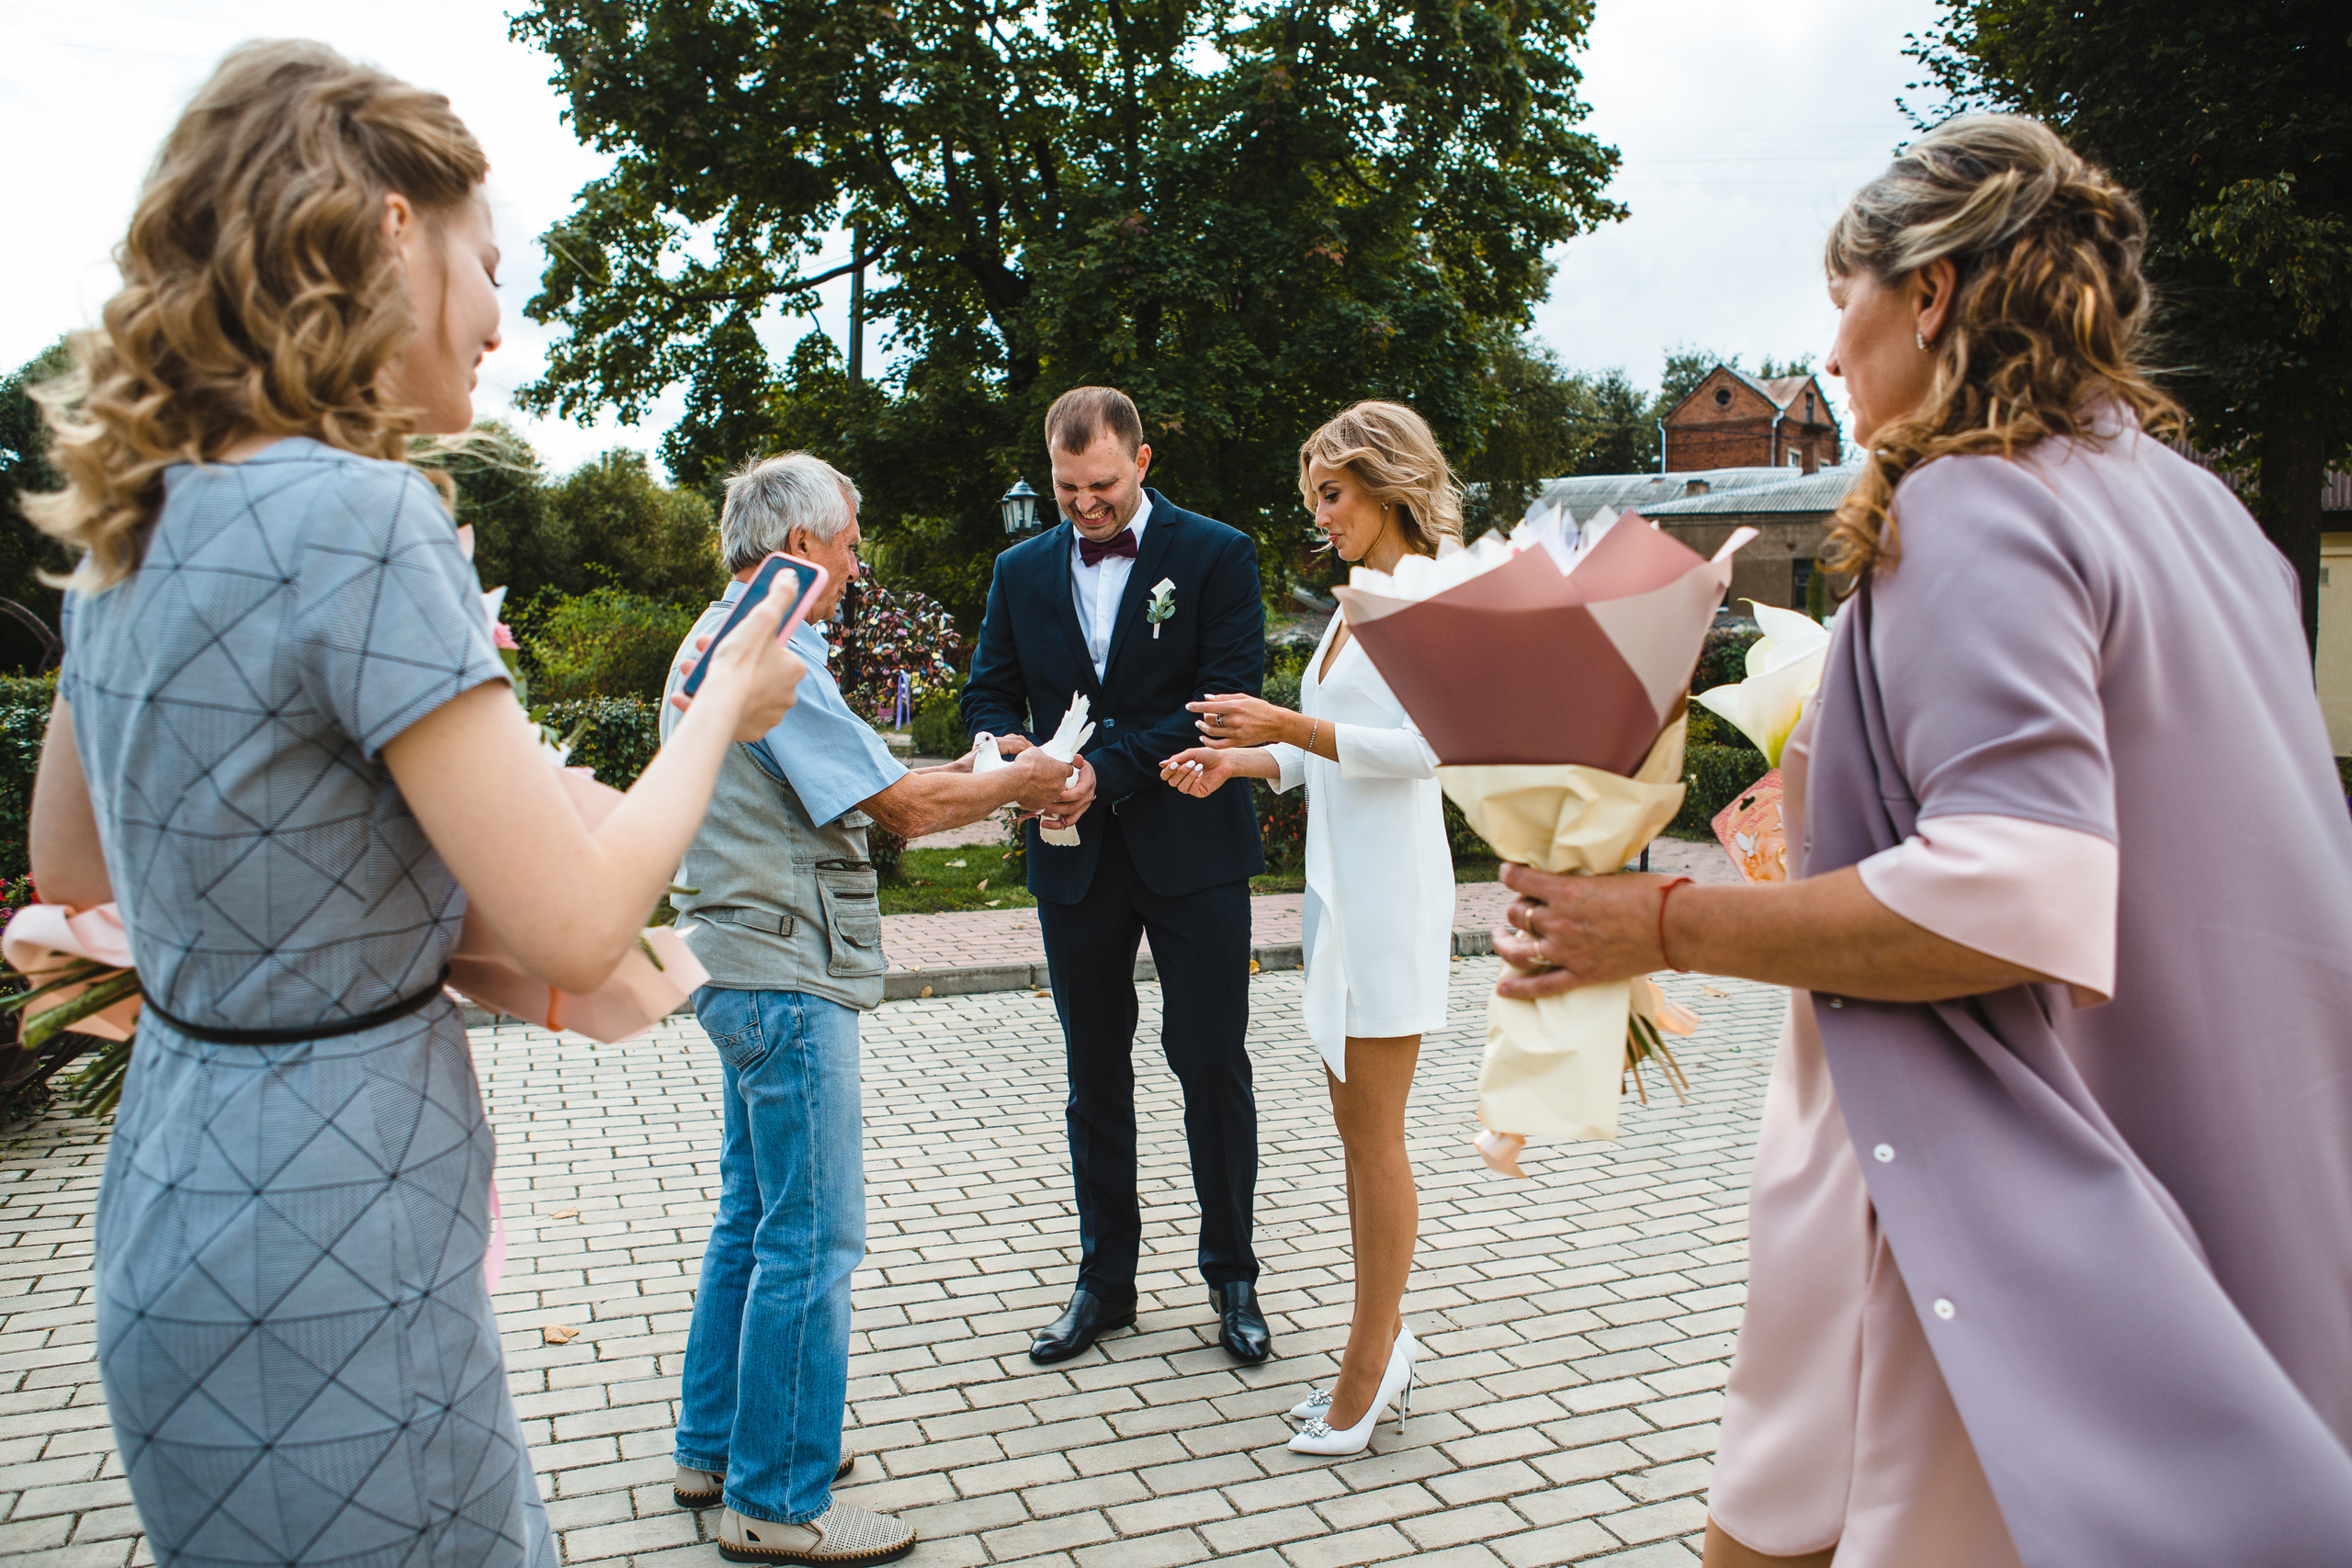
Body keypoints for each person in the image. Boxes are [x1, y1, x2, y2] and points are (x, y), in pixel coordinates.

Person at [1489, 115, 2352, 1567]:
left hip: (1984, 1167)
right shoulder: (2197, 508)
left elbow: (2014, 892)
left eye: (1846, 301)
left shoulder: (1975, 499)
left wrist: (1654, 923)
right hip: (2207, 1143)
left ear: (1932, 295)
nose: (1832, 354)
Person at [23, 42, 807, 1568]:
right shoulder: (361, 517)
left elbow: (70, 863)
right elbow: (579, 926)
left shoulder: (132, 522)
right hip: (339, 1228)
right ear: (393, 229)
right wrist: (722, 705)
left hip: (170, 1203)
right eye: (488, 262)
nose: (502, 321)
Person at [659, 454, 1077, 1565]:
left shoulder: (717, 633)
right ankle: (778, 1498)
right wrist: (1019, 789)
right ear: (799, 546)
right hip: (788, 971)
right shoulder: (773, 649)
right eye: (849, 539)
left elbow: (863, 774)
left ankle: (716, 1447)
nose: (857, 560)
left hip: (733, 959)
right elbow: (895, 805)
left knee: (752, 1218)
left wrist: (983, 765)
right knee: (812, 1235)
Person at [1159, 401, 1457, 1456]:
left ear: (1386, 485)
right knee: (1355, 1139)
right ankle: (1377, 1349)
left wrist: (1284, 725)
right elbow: (1342, 743)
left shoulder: (1423, 591)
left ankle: (1368, 1372)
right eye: (1311, 500)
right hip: (1343, 893)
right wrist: (1247, 760)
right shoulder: (1356, 601)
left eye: (1329, 495)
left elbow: (1431, 746)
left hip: (1391, 899)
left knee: (1375, 1145)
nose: (1318, 516)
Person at [962, 386, 1272, 1365]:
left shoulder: (1217, 554)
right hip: (1071, 856)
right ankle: (1105, 1281)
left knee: (1209, 1062)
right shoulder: (1018, 569)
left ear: (1141, 462)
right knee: (1091, 1073)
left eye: (1099, 486)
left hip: (1194, 848)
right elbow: (985, 690)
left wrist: (1103, 772)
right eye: (1065, 489)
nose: (1084, 506)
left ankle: (1232, 1279)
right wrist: (1013, 753)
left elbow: (1224, 701)